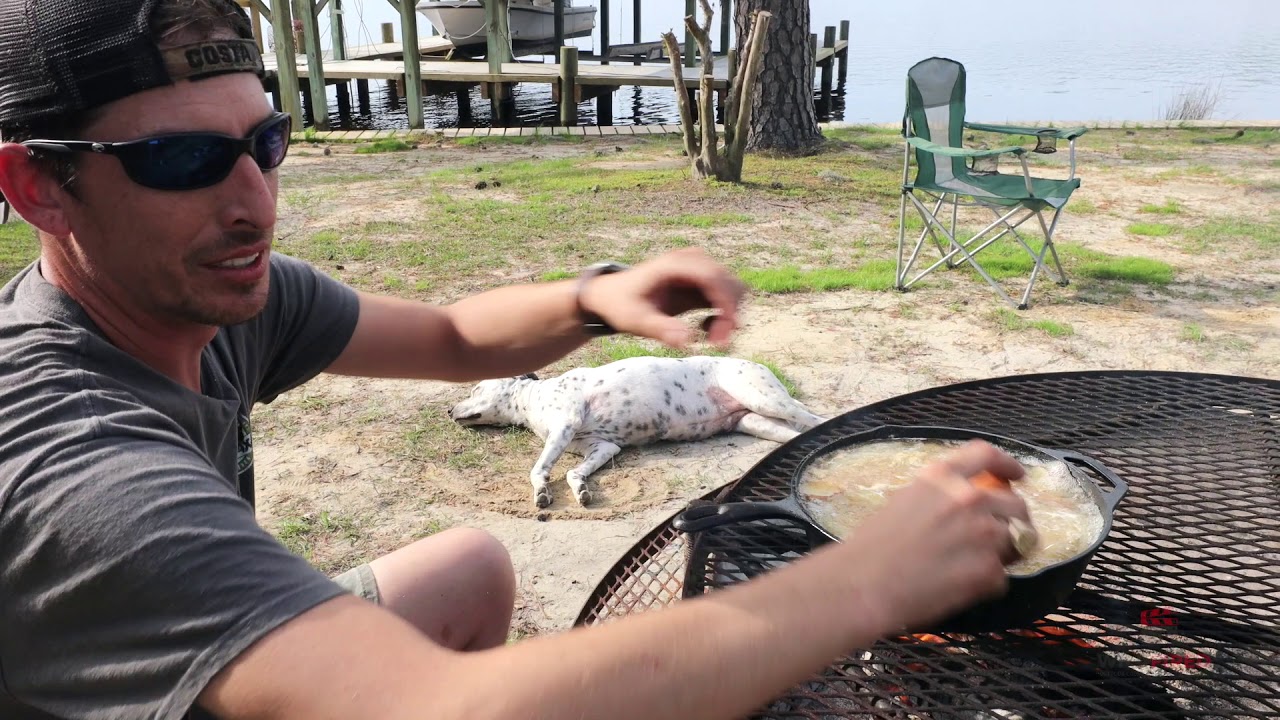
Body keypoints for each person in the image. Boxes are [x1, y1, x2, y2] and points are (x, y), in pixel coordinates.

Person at [0, 1, 1034, 718]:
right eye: (180, 158)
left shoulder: (209, 299)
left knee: (470, 566)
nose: (252, 202)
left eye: (262, 143)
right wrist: (865, 582)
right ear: (39, 188)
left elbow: (452, 338)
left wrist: (595, 299)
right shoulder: (71, 460)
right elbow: (438, 709)